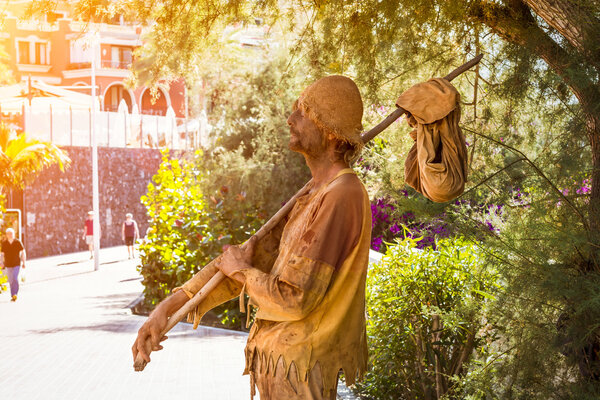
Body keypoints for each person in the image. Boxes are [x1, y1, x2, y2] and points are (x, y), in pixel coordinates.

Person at [132, 75, 372, 399]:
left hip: (302, 374)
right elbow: (245, 259)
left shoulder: (342, 194)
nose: (291, 119)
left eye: (303, 112)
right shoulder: (313, 193)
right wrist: (165, 309)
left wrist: (242, 272)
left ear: (330, 130)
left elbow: (294, 298)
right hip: (281, 372)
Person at [1, 228, 26, 302]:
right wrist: (1, 262)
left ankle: (15, 293)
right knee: (11, 280)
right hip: (8, 264)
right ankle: (12, 295)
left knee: (15, 277)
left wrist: (24, 262)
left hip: (16, 263)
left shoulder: (17, 242)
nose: (10, 235)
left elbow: (23, 252)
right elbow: (2, 254)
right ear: (6, 235)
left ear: (13, 234)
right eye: (8, 233)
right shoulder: (4, 243)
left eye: (11, 233)